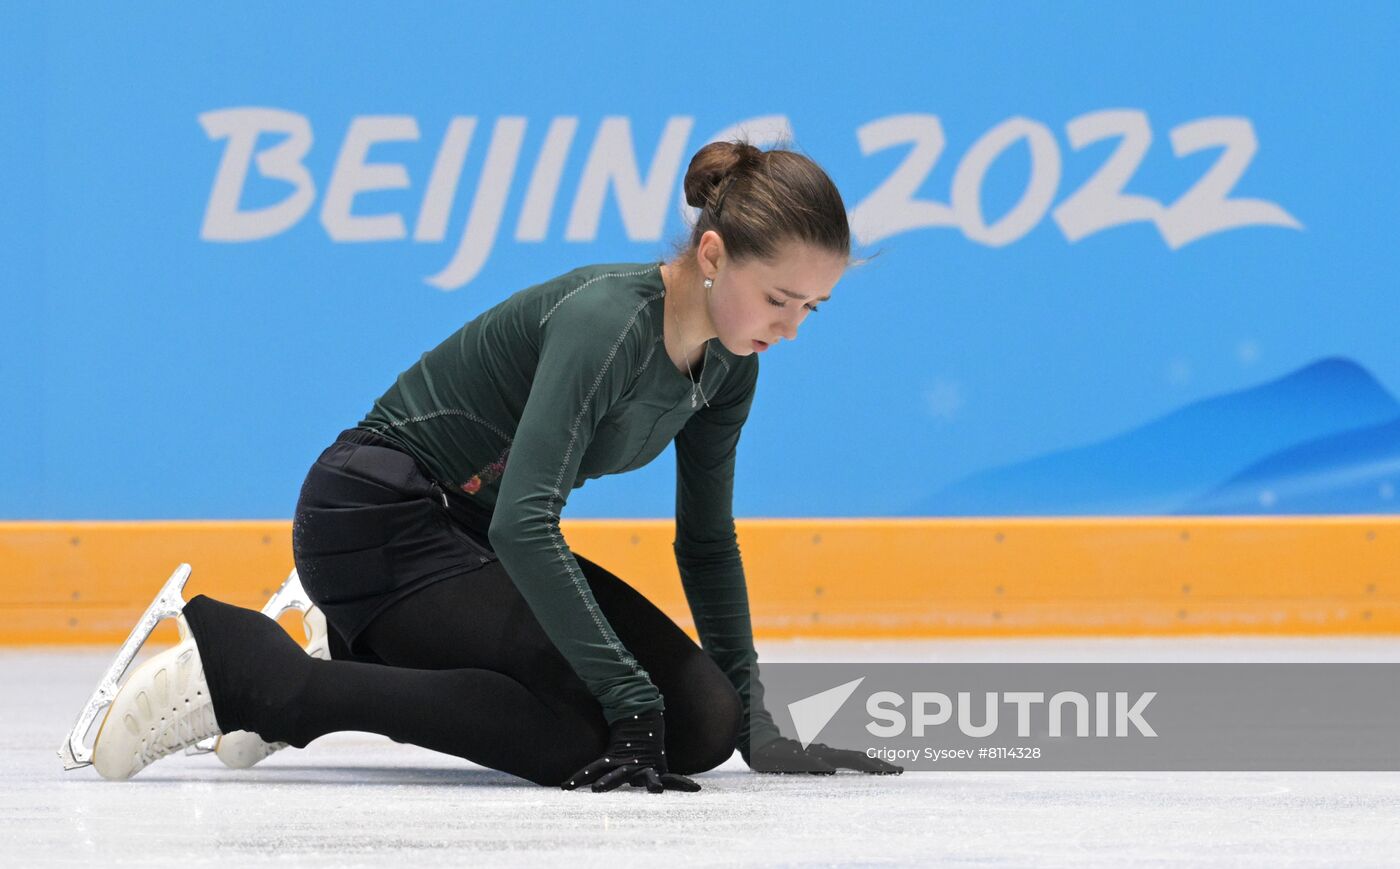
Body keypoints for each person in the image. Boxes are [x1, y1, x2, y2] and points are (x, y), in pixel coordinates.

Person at [83, 138, 902, 791]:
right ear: (715, 254)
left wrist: (754, 716)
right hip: (373, 520)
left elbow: (706, 539)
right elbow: (526, 518)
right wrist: (623, 696)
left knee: (701, 722)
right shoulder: (608, 323)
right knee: (582, 738)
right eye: (778, 299)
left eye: (811, 309)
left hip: (468, 541)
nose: (790, 328)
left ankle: (357, 647)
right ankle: (255, 674)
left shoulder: (730, 364)